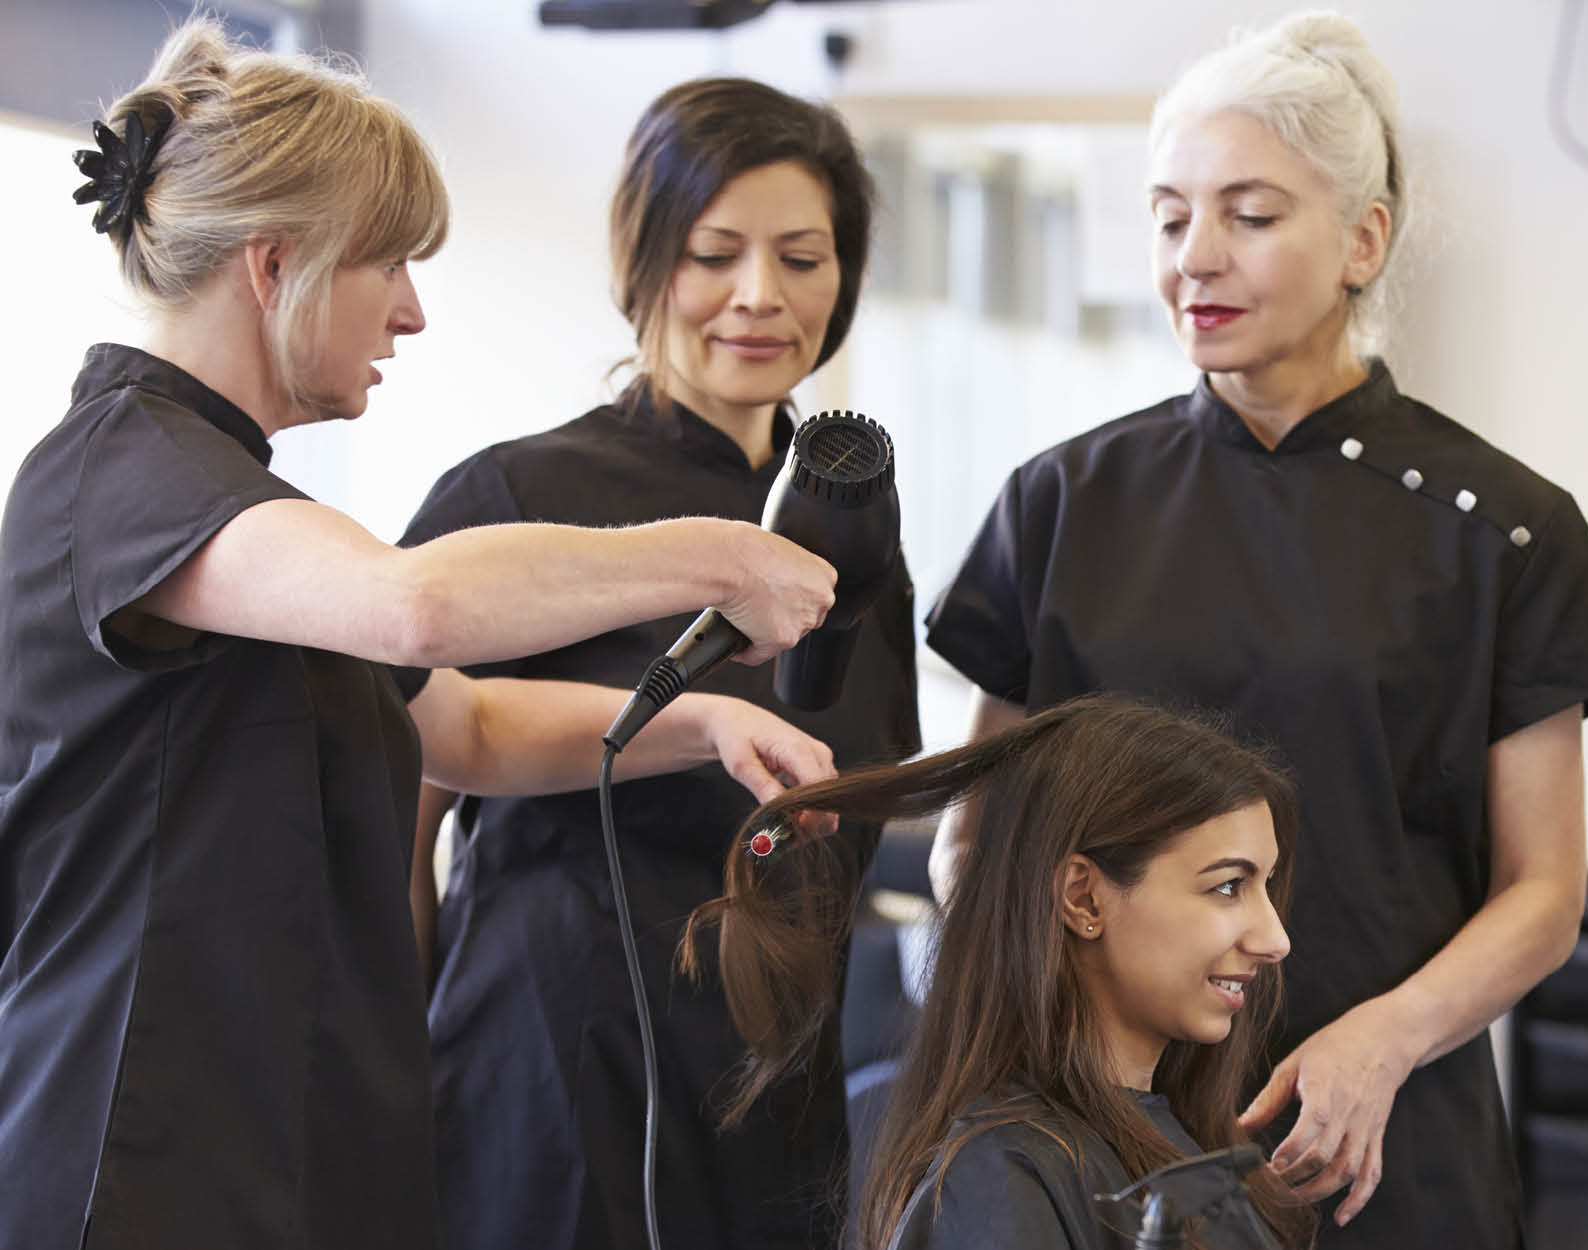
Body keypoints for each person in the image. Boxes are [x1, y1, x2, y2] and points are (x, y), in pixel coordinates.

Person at [0, 24, 839, 1250]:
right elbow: (418, 605)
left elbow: (471, 722)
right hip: (141, 1155)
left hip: (286, 1139)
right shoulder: (123, 474)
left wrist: (708, 720)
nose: (412, 313)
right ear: (275, 263)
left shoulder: (251, 517)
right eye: (386, 264)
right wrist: (721, 554)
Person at [921, 12, 1588, 1244]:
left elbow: (1542, 893)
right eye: (1168, 218)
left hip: (1386, 1133)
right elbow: (978, 841)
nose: (1194, 258)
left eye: (1249, 216)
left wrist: (1384, 1038)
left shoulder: (1502, 526)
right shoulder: (1065, 502)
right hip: (1101, 1141)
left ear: (1362, 239)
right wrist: (1036, 1047)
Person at [401, 77, 918, 1250]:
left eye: (802, 257)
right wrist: (388, 1047)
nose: (760, 297)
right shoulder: (515, 500)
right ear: (644, 258)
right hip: (545, 1074)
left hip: (774, 1097)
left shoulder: (859, 538)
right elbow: (400, 796)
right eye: (714, 252)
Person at [686, 694, 1313, 1250]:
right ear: (1083, 899)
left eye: (1265, 886)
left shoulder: (1187, 1137)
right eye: (1228, 886)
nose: (1276, 940)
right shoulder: (999, 1179)